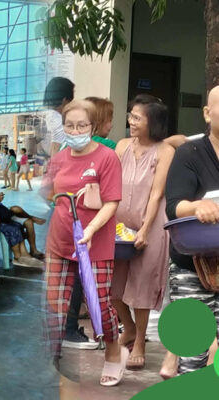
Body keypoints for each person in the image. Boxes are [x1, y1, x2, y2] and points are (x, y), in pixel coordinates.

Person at [42, 99, 124, 386]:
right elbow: (50, 193)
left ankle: (114, 353)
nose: (75, 130)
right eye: (69, 125)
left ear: (93, 126)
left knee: (99, 304)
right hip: (60, 242)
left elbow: (112, 203)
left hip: (94, 242)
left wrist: (89, 231)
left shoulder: (106, 157)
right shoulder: (59, 158)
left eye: (81, 125)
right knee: (55, 306)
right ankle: (52, 362)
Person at [110, 95, 173, 370]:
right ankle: (130, 327)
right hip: (119, 225)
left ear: (153, 122)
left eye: (137, 117)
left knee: (142, 286)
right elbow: (108, 183)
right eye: (131, 116)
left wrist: (145, 229)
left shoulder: (165, 151)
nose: (131, 121)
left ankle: (139, 343)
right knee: (112, 287)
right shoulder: (122, 146)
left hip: (152, 224)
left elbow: (157, 194)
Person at [164, 85, 219, 375]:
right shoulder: (190, 153)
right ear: (207, 114)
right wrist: (196, 207)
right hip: (191, 266)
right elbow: (173, 206)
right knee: (194, 356)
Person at [43, 77, 75, 157]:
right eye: (70, 102)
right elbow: (56, 149)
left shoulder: (47, 115)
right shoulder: (57, 121)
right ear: (64, 100)